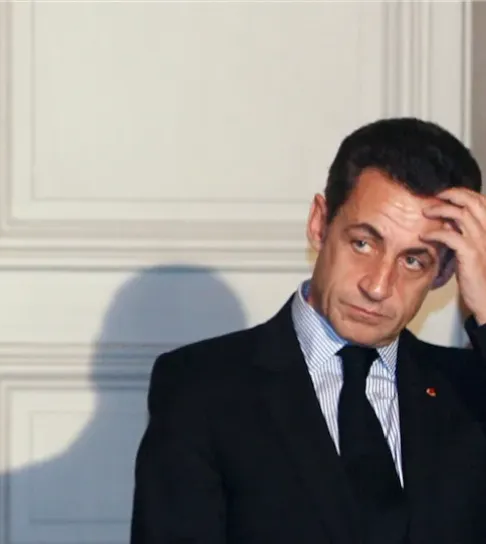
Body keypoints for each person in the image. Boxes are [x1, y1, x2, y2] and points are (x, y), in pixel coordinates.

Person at [130, 117, 486, 544]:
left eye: (413, 261)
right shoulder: (201, 388)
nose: (377, 286)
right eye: (363, 243)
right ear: (320, 223)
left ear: (444, 272)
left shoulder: (470, 390)